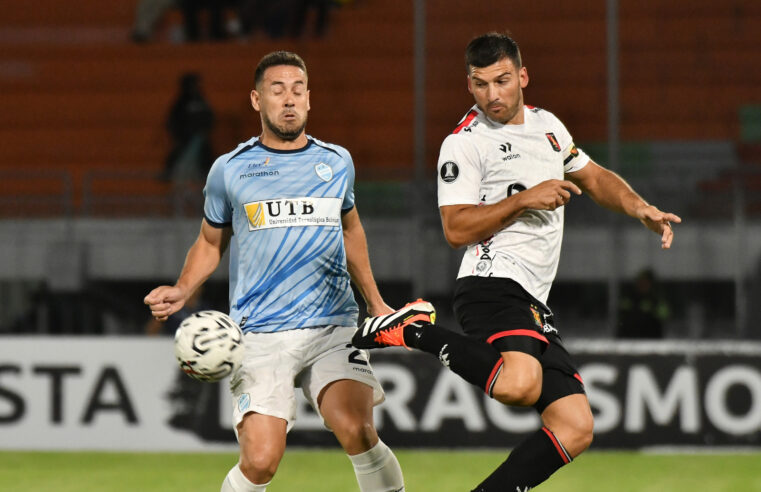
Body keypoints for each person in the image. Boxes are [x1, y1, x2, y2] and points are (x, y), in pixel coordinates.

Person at [352, 32, 682, 491]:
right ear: (469, 86)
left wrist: (639, 207)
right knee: (518, 384)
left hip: (532, 297)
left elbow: (594, 177)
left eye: (502, 81)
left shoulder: (548, 127)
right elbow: (455, 229)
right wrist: (527, 198)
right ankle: (411, 329)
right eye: (481, 84)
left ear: (522, 76)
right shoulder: (464, 143)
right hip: (491, 282)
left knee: (574, 425)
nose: (493, 95)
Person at [144, 51, 405, 492]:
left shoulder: (337, 162)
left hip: (332, 327)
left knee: (357, 430)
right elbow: (211, 242)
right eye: (277, 90)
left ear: (309, 100)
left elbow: (351, 230)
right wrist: (183, 287)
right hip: (260, 332)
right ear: (256, 100)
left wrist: (375, 303)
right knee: (261, 461)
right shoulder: (229, 169)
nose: (289, 100)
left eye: (297, 90)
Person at [162, 72, 215, 181]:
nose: (195, 87)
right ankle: (170, 172)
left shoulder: (201, 100)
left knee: (206, 156)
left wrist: (204, 130)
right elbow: (173, 120)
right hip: (185, 139)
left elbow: (210, 117)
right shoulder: (181, 102)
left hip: (200, 138)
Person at [617, 268, 670, 338]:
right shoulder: (629, 298)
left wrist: (651, 309)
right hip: (629, 340)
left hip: (651, 341)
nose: (642, 285)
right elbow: (621, 317)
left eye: (646, 282)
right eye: (640, 282)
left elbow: (664, 316)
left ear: (651, 284)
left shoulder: (657, 300)